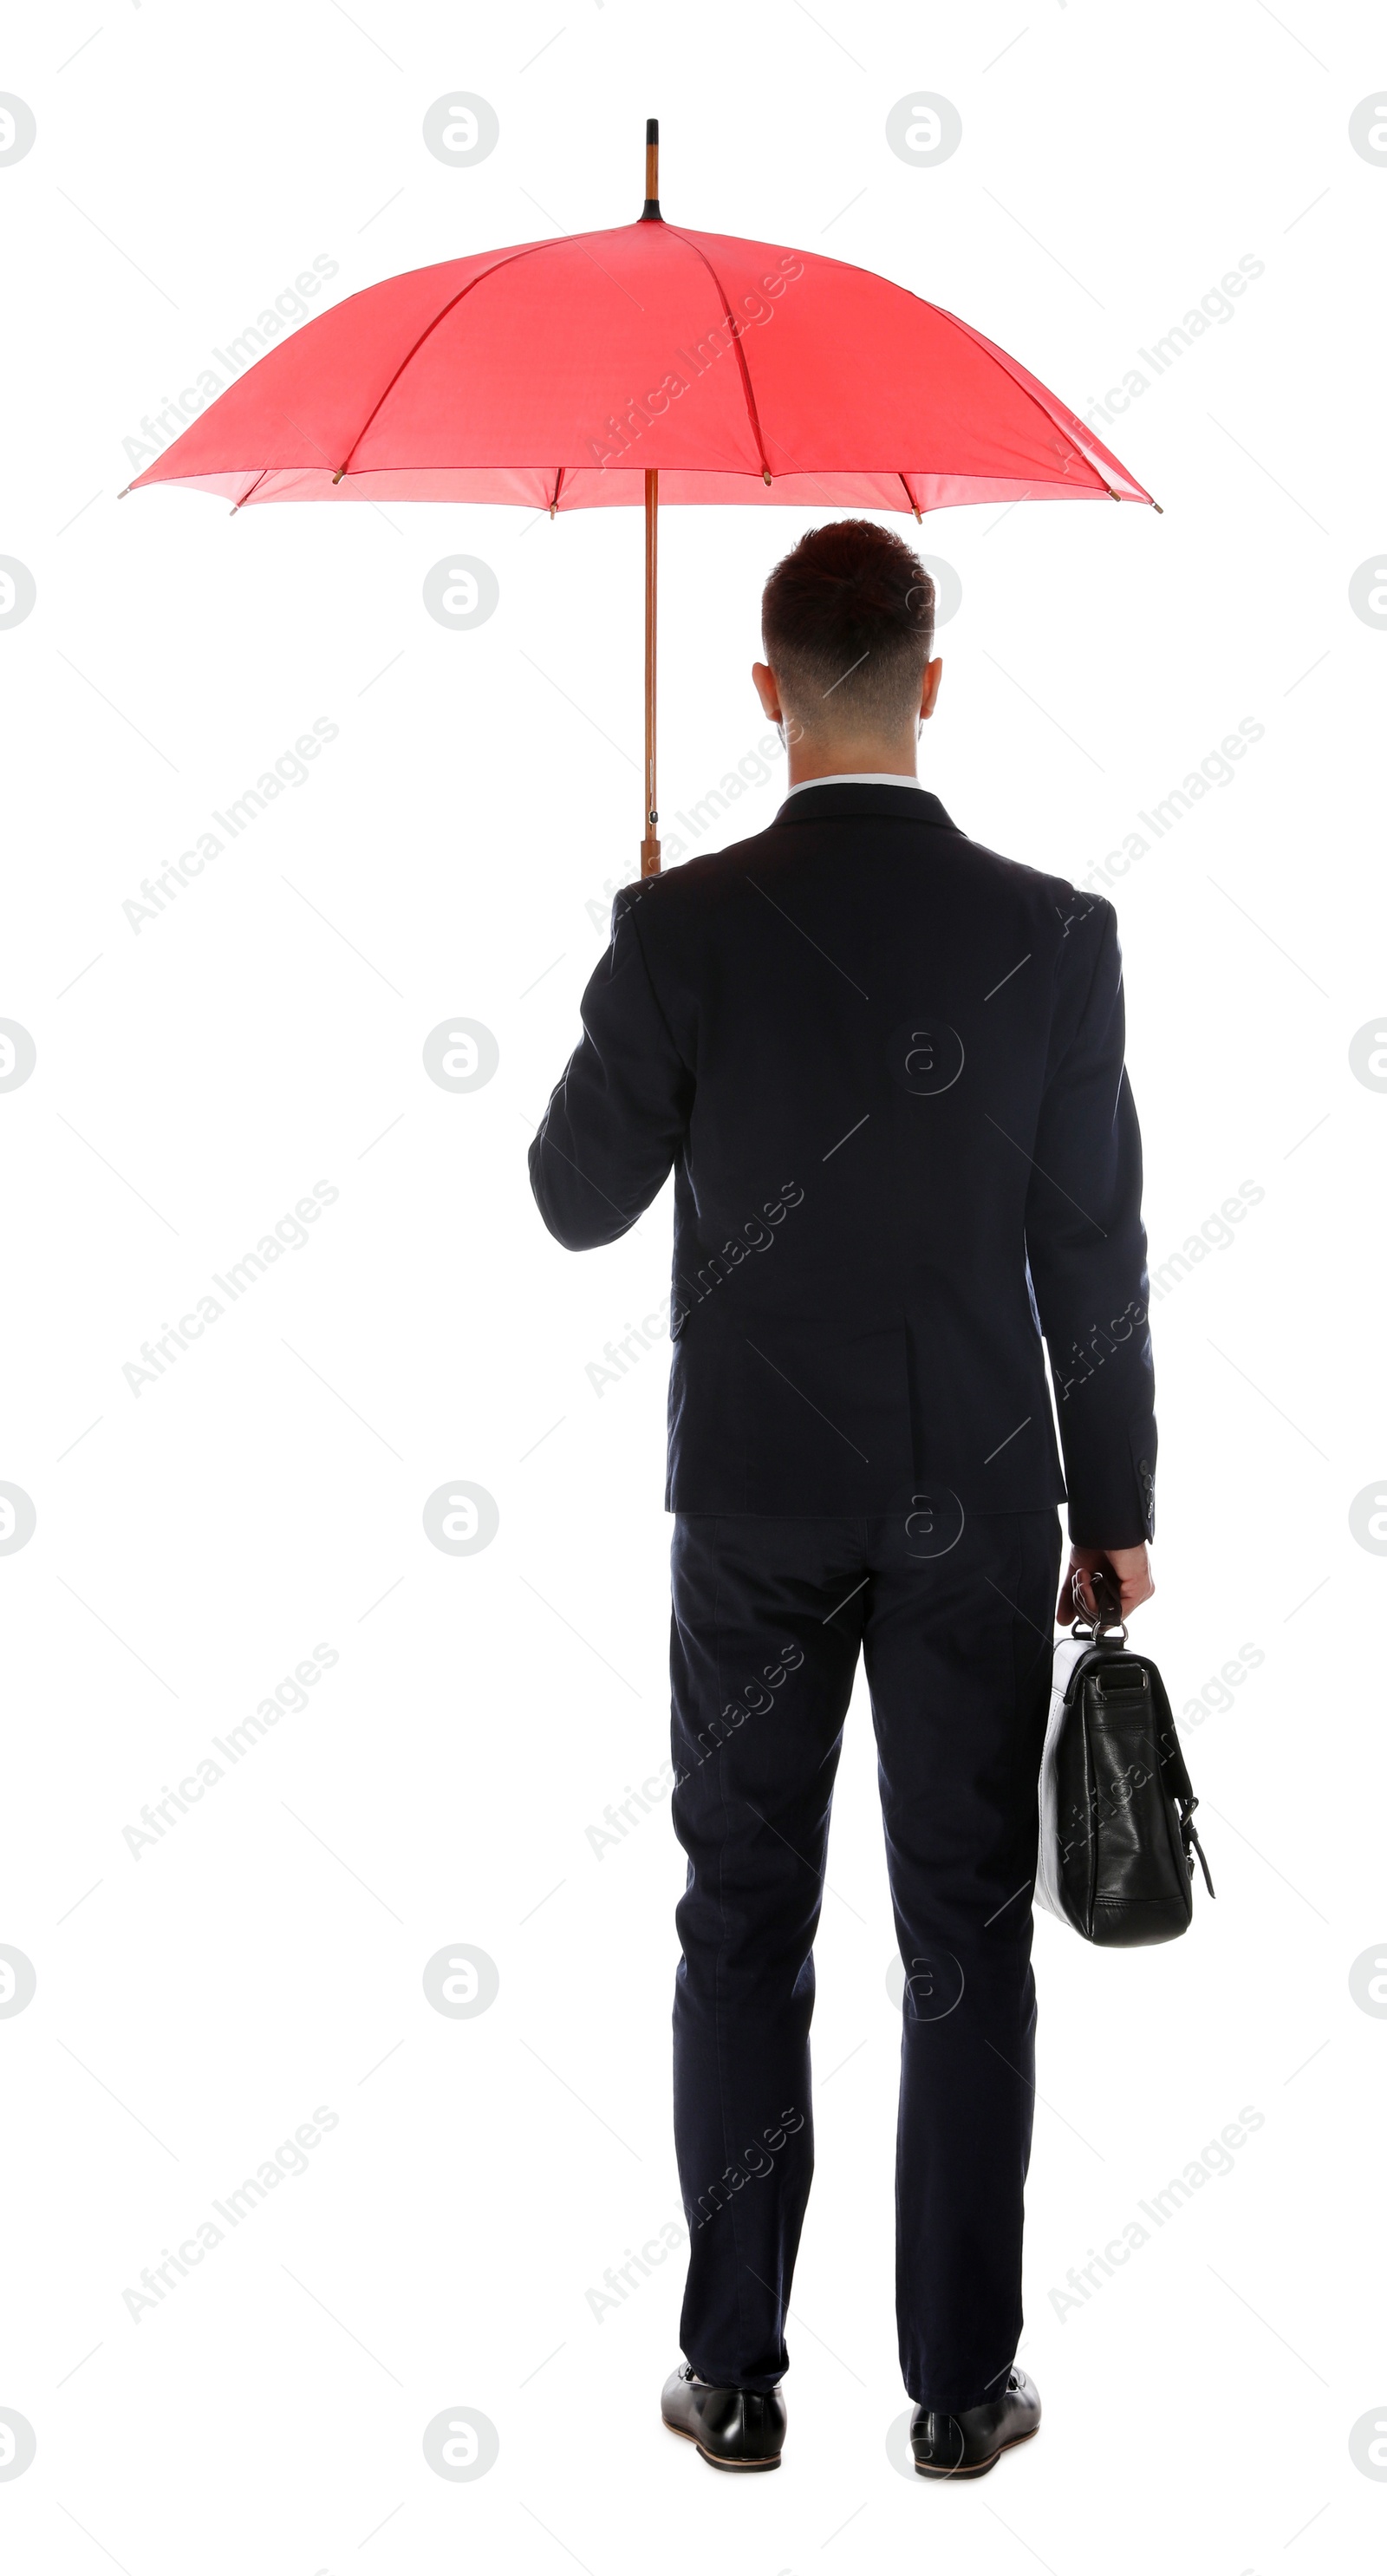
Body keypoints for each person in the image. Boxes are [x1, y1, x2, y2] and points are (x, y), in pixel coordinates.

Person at [527, 518, 1156, 2481]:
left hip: (751, 1509)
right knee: (965, 1930)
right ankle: (960, 2394)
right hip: (977, 1499)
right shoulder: (1052, 934)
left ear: (761, 689)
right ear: (930, 685)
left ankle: (731, 2373)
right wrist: (1113, 1503)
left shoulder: (682, 930)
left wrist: (631, 972)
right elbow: (1093, 1255)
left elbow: (571, 1200)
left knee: (740, 1925)